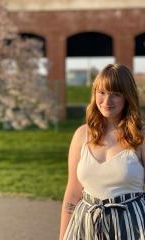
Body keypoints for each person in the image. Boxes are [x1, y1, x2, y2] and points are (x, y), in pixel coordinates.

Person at [59, 63, 145, 240]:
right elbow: (73, 192)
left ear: (127, 97)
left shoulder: (140, 136)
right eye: (102, 92)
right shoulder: (82, 134)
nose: (107, 102)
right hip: (86, 224)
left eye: (115, 94)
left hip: (132, 226)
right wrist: (63, 236)